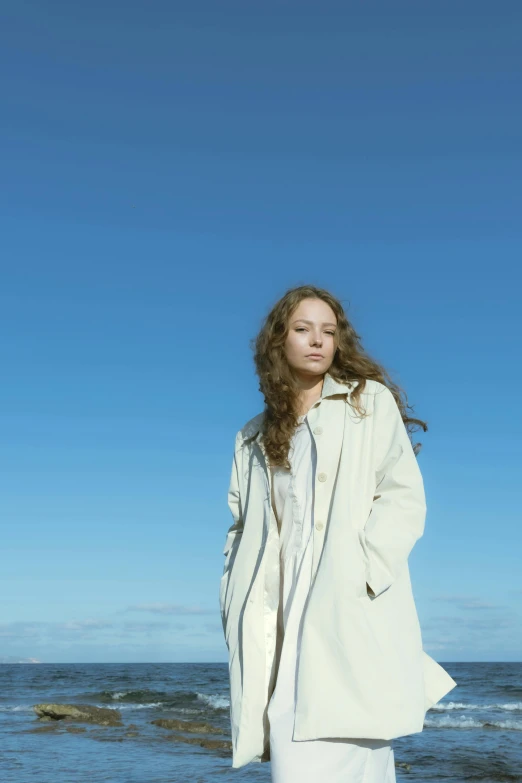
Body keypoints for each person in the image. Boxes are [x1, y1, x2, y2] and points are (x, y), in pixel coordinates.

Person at [219, 284, 457, 777]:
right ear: (278, 341)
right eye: (302, 329)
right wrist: (231, 595)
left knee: (343, 740)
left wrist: (366, 570)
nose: (317, 340)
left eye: (328, 331)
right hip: (281, 609)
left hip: (347, 602)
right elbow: (240, 526)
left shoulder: (367, 403)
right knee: (292, 731)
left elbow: (401, 493)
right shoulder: (252, 436)